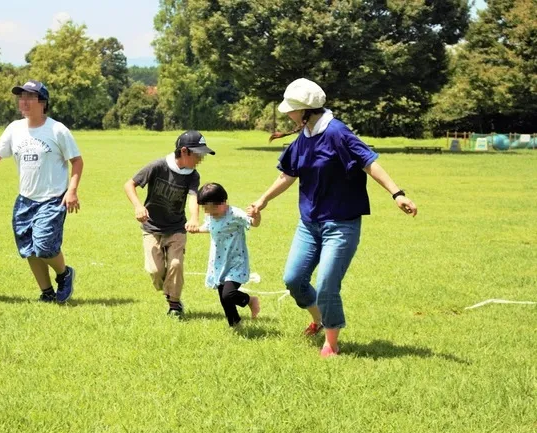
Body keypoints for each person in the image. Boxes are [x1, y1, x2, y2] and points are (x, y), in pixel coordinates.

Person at [248, 78, 418, 357]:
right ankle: (318, 319)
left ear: (306, 110)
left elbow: (369, 162)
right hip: (309, 224)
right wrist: (262, 200)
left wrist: (397, 193)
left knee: (327, 283)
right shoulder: (304, 137)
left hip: (341, 224)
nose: (288, 114)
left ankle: (332, 341)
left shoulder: (337, 132)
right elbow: (287, 174)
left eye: (292, 109)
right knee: (294, 279)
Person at [0, 80, 83, 303]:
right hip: (25, 200)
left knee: (44, 246)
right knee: (29, 249)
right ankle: (47, 292)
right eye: (21, 97)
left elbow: (77, 161)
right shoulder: (14, 129)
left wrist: (72, 191)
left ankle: (64, 273)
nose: (23, 102)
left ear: (42, 102)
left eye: (29, 97)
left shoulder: (57, 130)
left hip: (52, 199)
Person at [124, 131, 214, 319]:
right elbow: (129, 185)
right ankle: (169, 290)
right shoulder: (158, 166)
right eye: (197, 154)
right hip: (151, 227)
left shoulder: (192, 175)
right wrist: (138, 206)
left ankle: (174, 304)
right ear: (184, 151)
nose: (200, 159)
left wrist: (194, 218)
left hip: (176, 228)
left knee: (175, 264)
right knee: (155, 271)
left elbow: (193, 198)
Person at [195, 183, 261, 328]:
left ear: (223, 202)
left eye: (211, 209)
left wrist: (256, 216)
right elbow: (211, 227)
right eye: (205, 209)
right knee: (224, 298)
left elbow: (253, 223)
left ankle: (250, 301)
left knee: (228, 294)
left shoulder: (235, 214)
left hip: (236, 262)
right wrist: (197, 229)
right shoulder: (210, 216)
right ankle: (235, 325)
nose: (208, 213)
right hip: (218, 263)